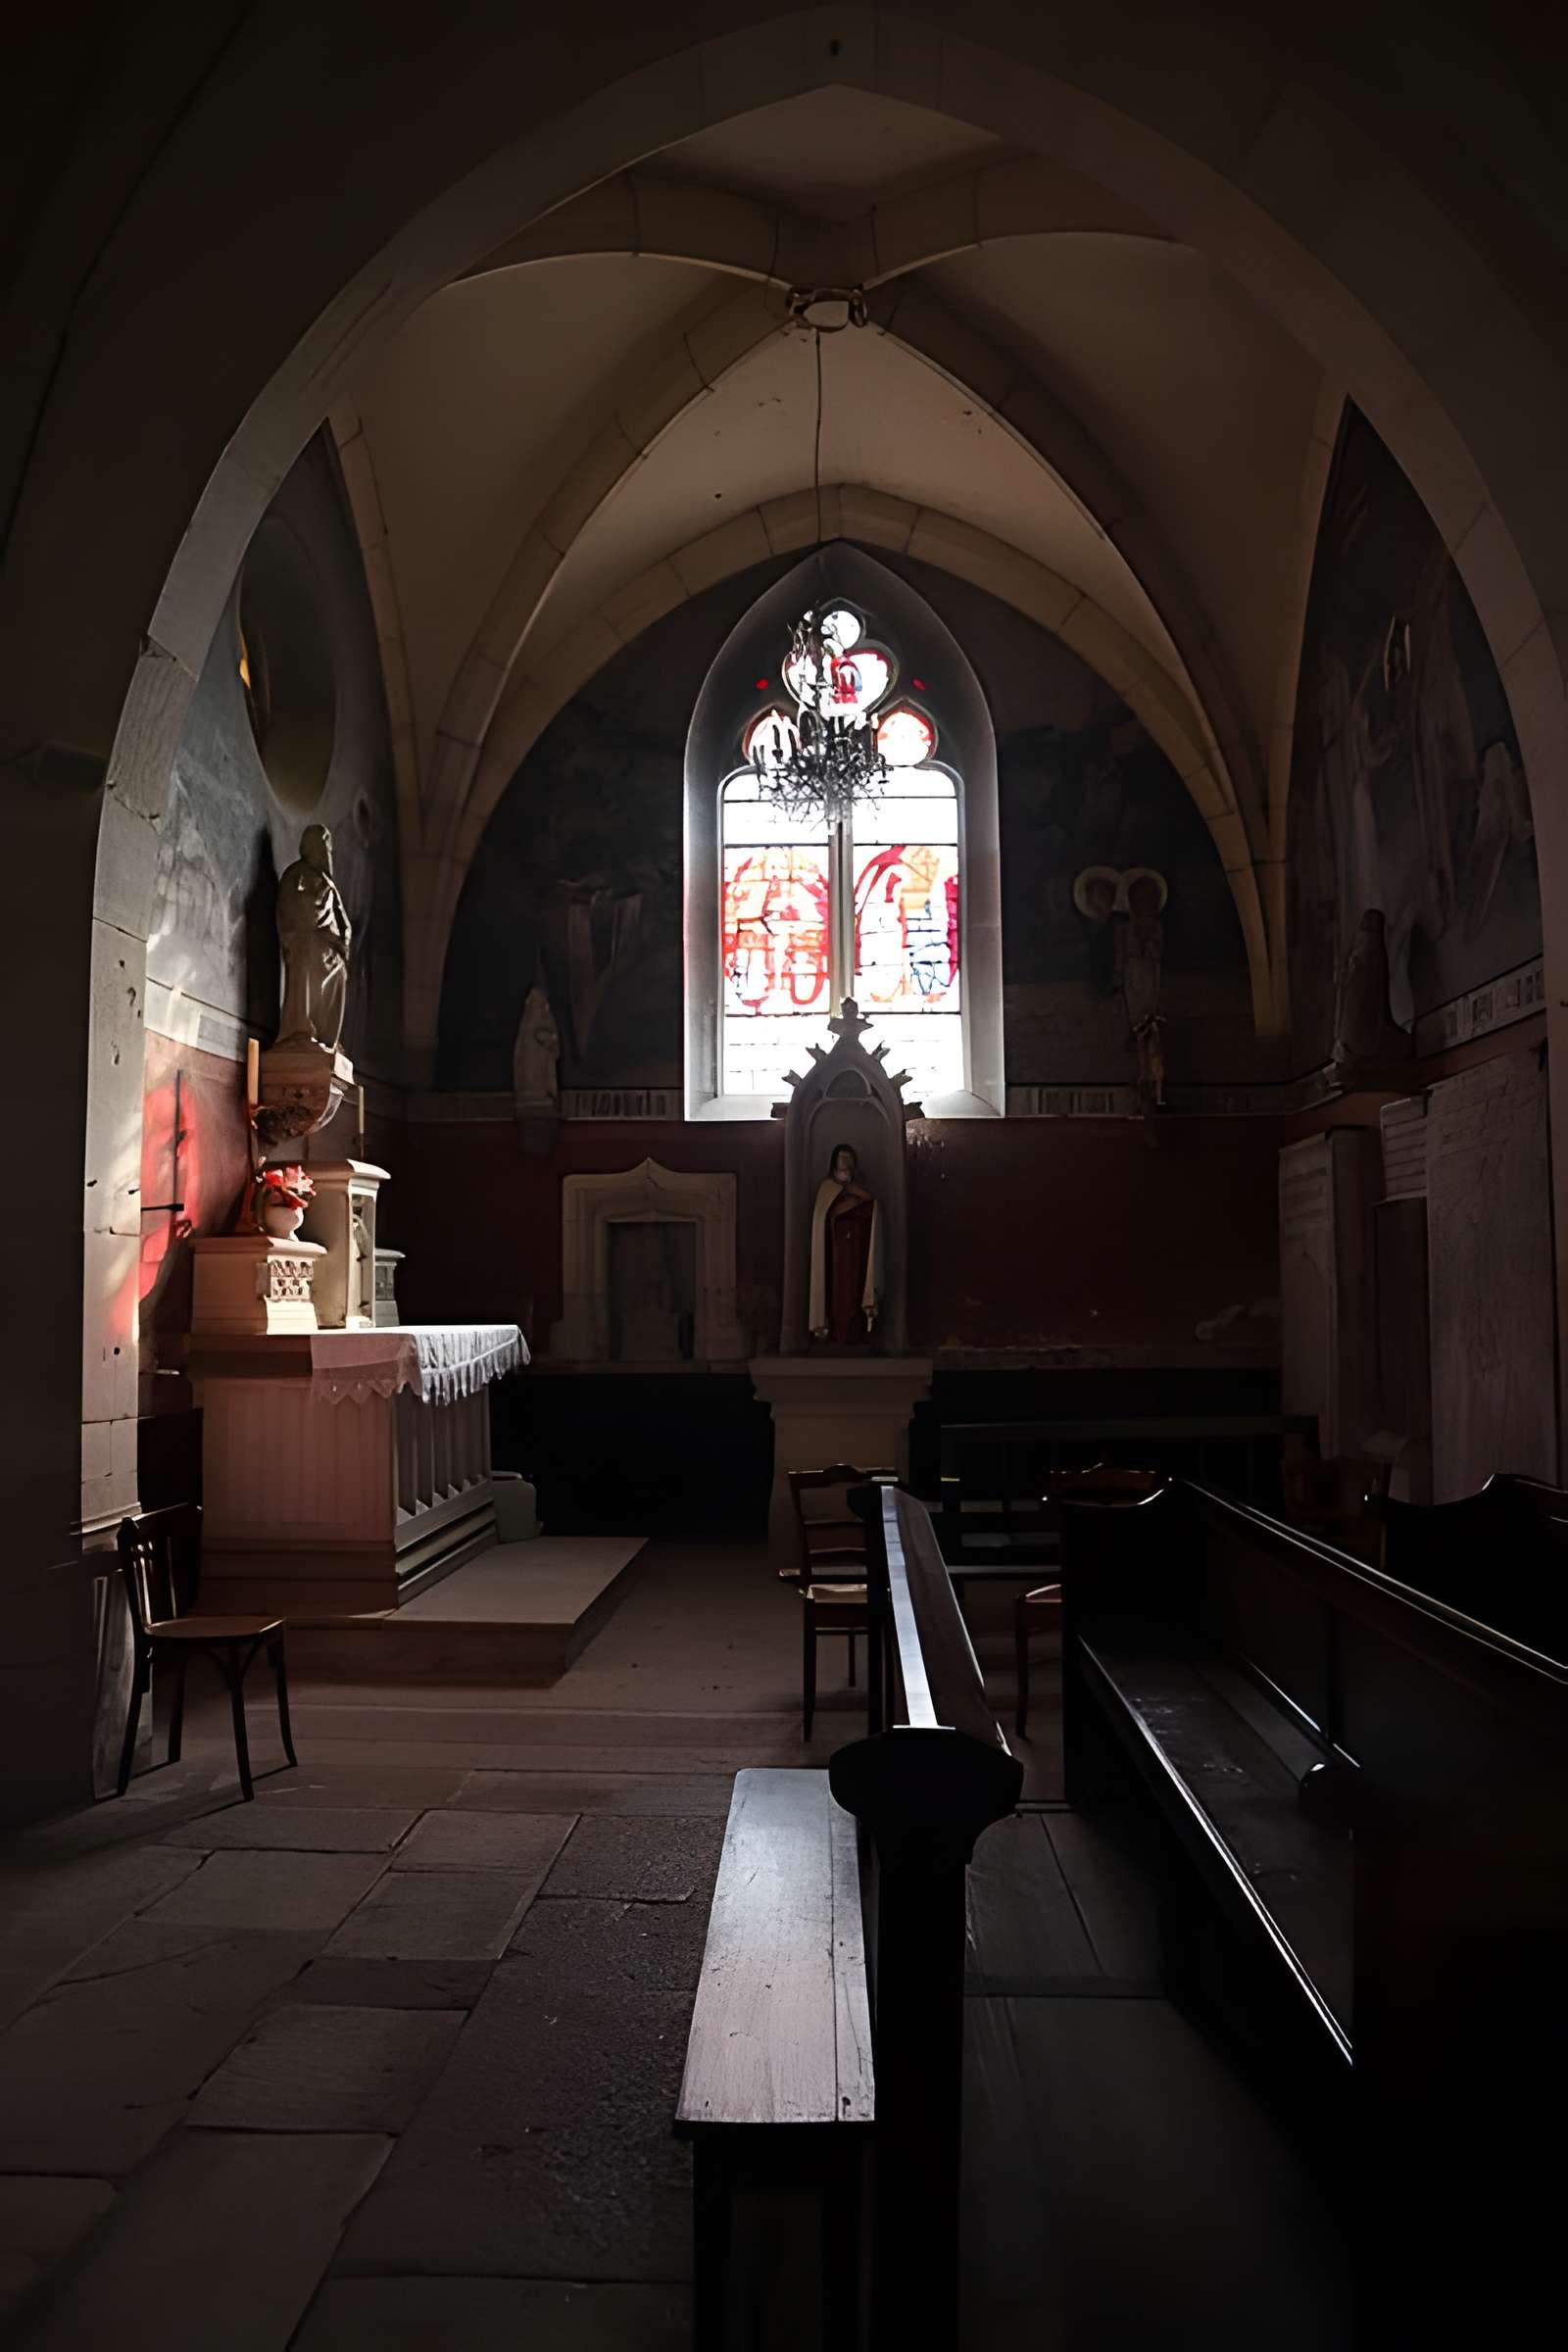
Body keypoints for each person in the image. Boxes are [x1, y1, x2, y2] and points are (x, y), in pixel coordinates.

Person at [276, 823, 352, 1052]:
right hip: (308, 944)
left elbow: (341, 921)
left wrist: (339, 938)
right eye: (319, 845)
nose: (324, 851)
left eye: (325, 846)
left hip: (329, 947)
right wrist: (319, 903)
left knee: (339, 973)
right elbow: (299, 911)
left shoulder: (325, 880)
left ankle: (326, 1038)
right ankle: (301, 1028)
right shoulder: (296, 874)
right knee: (311, 960)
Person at [808, 1143, 882, 1345]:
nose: (845, 1161)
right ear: (834, 1160)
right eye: (842, 1157)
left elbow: (870, 1208)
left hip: (857, 1248)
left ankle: (855, 1334)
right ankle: (835, 1333)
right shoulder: (827, 1188)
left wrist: (855, 1202)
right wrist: (844, 1209)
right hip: (836, 1250)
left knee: (855, 1287)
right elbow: (824, 1218)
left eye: (849, 1157)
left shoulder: (859, 1189)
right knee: (838, 1290)